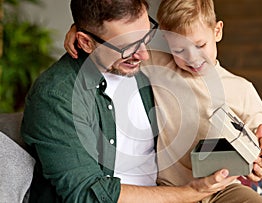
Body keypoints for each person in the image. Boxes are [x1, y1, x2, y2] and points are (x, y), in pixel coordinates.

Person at [21, 0, 240, 202]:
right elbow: (88, 194)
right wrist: (192, 192)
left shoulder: (146, 68)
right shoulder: (57, 96)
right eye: (128, 47)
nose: (144, 54)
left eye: (146, 37)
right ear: (86, 42)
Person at [64, 0, 262, 202]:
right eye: (179, 49)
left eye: (200, 45)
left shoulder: (240, 88)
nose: (192, 57)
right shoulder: (159, 65)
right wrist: (82, 32)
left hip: (222, 187)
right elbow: (116, 43)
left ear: (217, 31)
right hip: (172, 189)